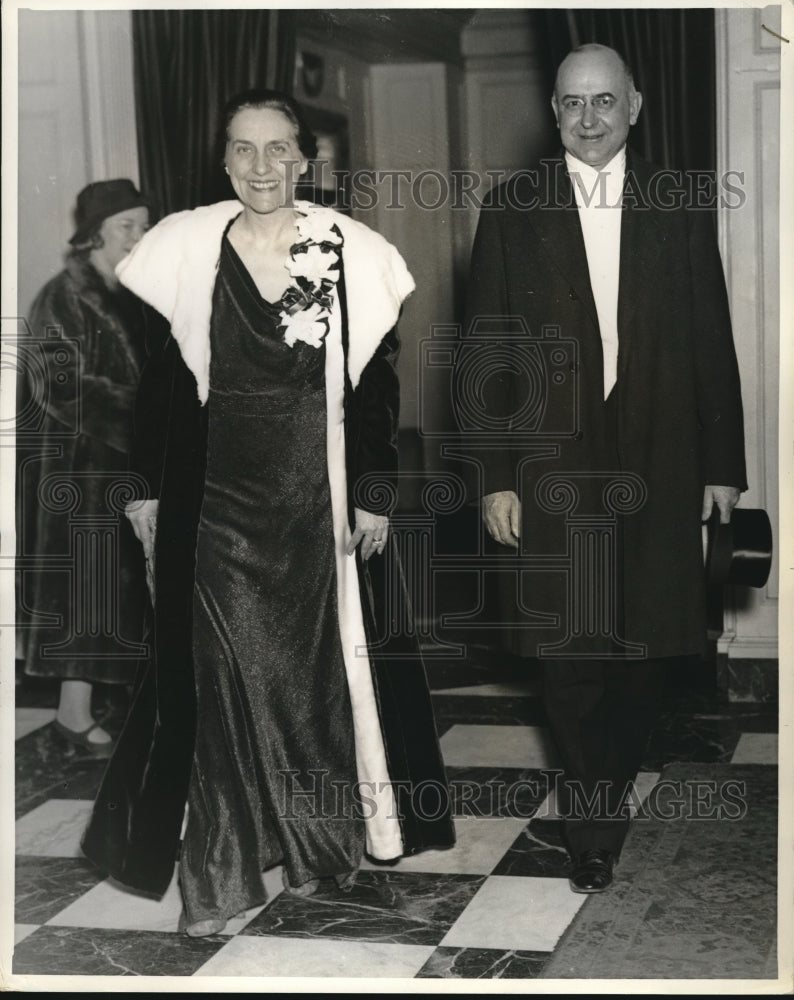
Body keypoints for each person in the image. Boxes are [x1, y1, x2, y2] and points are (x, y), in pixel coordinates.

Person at [81, 88, 454, 936]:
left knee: (308, 683)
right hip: (211, 507)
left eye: (277, 149)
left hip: (311, 508)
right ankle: (219, 877)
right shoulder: (183, 248)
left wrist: (372, 492)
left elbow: (373, 388)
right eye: (243, 149)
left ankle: (319, 847)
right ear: (224, 160)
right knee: (213, 688)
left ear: (304, 159)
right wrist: (143, 489)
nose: (260, 166)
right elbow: (159, 388)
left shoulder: (348, 252)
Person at [464, 45, 745, 893]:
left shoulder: (678, 204)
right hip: (553, 462)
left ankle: (611, 784)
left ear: (636, 106)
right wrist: (496, 476)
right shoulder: (514, 207)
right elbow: (485, 352)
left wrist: (722, 465)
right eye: (572, 103)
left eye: (604, 103)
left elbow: (710, 341)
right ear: (553, 111)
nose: (588, 119)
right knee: (570, 651)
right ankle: (591, 826)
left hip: (663, 453)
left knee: (647, 647)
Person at [18, 179, 155, 756]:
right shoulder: (63, 295)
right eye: (129, 226)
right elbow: (57, 382)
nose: (139, 237)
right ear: (95, 233)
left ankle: (93, 708)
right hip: (78, 472)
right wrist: (143, 412)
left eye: (144, 226)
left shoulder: (132, 291)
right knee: (86, 591)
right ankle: (73, 718)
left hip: (120, 468)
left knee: (112, 592)